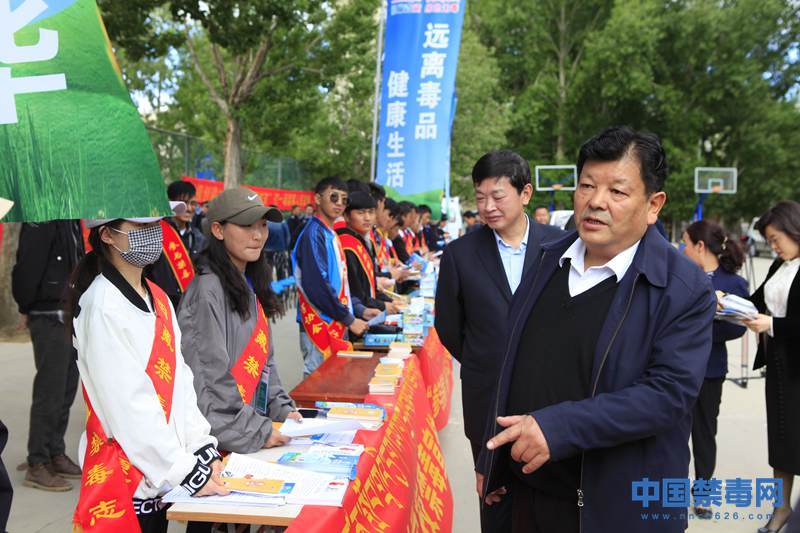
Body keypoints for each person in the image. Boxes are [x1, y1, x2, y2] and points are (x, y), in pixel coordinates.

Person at [477, 126, 716, 533]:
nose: (596, 201)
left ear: (653, 204)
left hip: (616, 506)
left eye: (617, 191)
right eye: (587, 185)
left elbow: (667, 394)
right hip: (526, 492)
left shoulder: (683, 287)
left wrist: (559, 427)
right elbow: (510, 364)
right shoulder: (547, 259)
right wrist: (492, 460)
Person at [71, 204, 228, 533]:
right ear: (107, 235)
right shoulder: (101, 305)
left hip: (159, 477)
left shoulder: (158, 296)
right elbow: (129, 406)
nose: (154, 234)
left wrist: (200, 446)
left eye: (156, 224)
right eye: (141, 226)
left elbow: (181, 382)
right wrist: (182, 470)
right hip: (127, 480)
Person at [436, 150, 564, 533]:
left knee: (550, 510)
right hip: (487, 401)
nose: (488, 206)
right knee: (496, 505)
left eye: (497, 196)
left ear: (525, 193)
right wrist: (487, 360)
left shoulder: (562, 246)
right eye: (480, 197)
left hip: (550, 400)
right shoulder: (460, 254)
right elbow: (449, 326)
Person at [178, 188, 299, 457]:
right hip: (223, 444)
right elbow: (208, 382)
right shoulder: (206, 292)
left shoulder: (249, 283)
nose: (258, 235)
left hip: (250, 431)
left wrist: (282, 409)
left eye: (263, 225)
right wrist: (256, 431)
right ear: (218, 230)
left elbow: (265, 364)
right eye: (246, 225)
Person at [681, 220, 748, 520]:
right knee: (672, 433)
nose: (681, 249)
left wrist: (704, 324)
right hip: (675, 369)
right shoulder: (681, 275)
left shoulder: (733, 283)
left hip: (710, 370)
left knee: (704, 433)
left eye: (685, 243)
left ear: (699, 246)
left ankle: (703, 494)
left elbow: (739, 327)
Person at [740, 200, 800, 533]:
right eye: (770, 240)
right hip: (779, 364)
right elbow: (758, 301)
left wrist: (772, 325)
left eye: (777, 239)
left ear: (795, 230)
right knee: (781, 439)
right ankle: (781, 508)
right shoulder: (780, 264)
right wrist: (729, 304)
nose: (773, 246)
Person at [12, 220, 85, 491]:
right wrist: (25, 305)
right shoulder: (42, 218)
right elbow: (27, 266)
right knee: (50, 390)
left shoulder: (70, 218)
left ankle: (55, 451)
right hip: (49, 312)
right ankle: (38, 461)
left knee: (67, 387)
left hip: (69, 311)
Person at [293, 177, 368, 377]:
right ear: (318, 199)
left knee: (333, 380)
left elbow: (339, 283)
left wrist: (356, 310)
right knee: (317, 380)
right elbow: (317, 285)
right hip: (320, 322)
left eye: (344, 199)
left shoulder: (329, 233)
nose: (339, 203)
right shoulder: (313, 234)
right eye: (334, 197)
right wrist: (349, 319)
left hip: (335, 319)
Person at [336, 190, 399, 318]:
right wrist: (383, 305)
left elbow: (370, 288)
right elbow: (356, 293)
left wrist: (391, 301)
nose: (367, 218)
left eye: (371, 212)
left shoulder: (362, 241)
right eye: (361, 213)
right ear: (346, 216)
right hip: (357, 316)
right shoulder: (346, 245)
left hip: (370, 311)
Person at [146, 180, 207, 308]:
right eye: (184, 203)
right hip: (161, 304)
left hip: (189, 306)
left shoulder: (199, 238)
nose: (189, 208)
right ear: (171, 203)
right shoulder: (156, 232)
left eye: (193, 203)